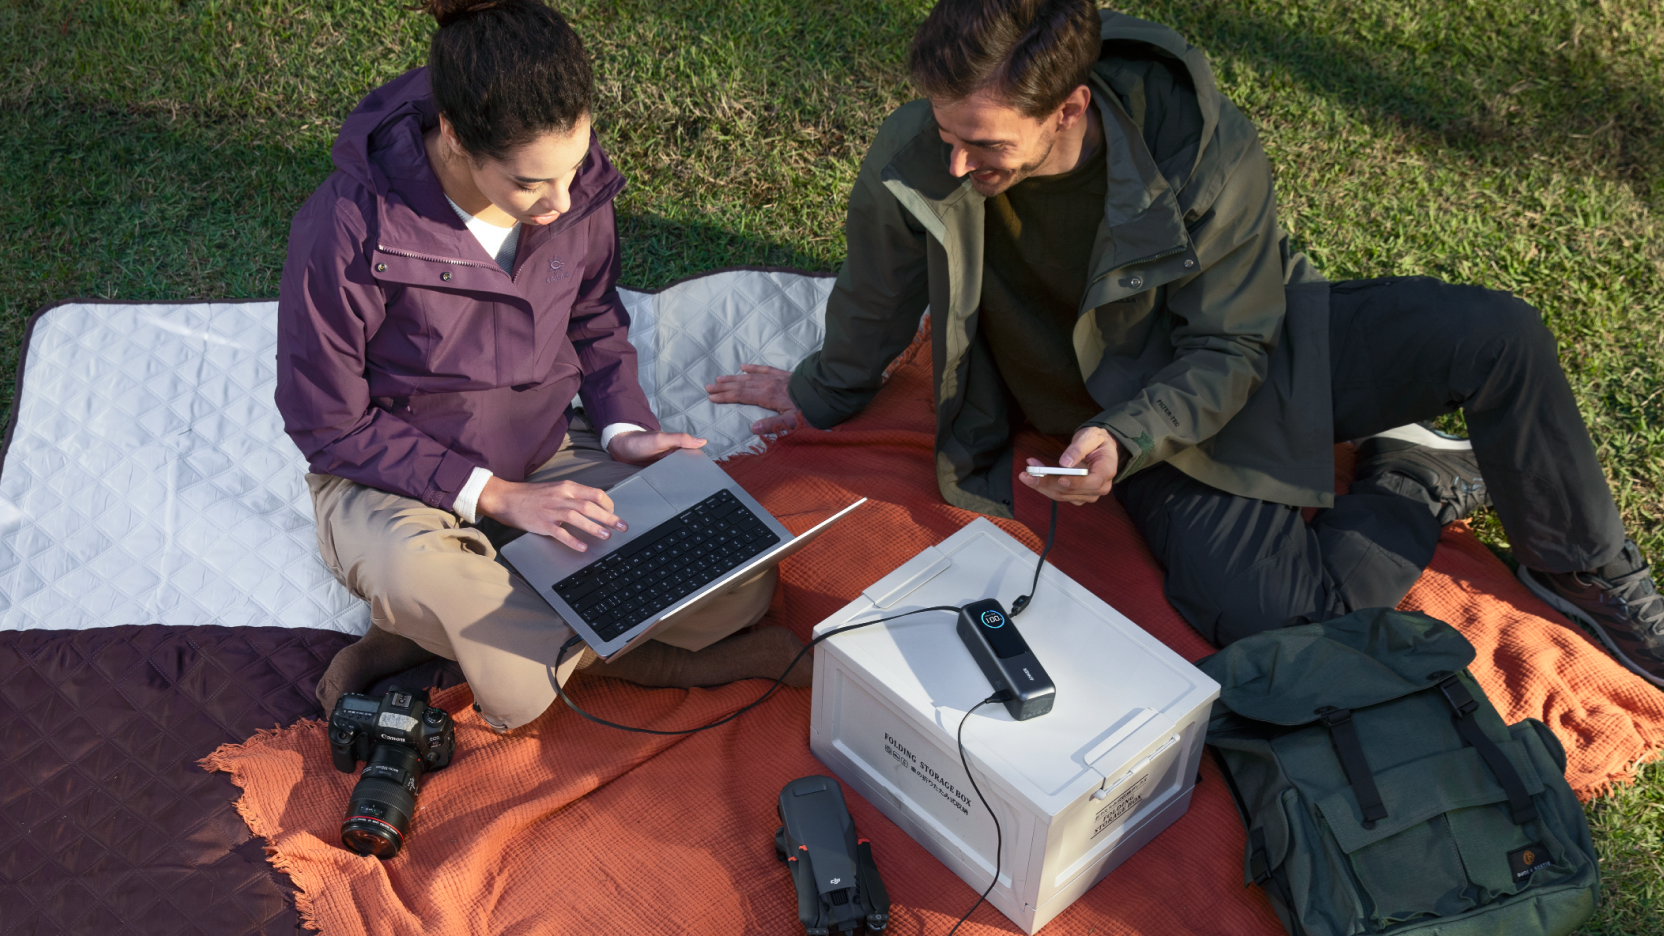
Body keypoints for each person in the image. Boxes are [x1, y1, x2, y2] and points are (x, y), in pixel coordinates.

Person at [707, 0, 1664, 687]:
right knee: (1287, 629)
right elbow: (878, 293)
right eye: (946, 132)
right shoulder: (919, 151)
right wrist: (824, 390)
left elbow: (1234, 341)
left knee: (1497, 333)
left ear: (1069, 109)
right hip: (1131, 415)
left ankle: (1582, 563)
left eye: (986, 145)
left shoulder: (1201, 144)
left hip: (1251, 343)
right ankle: (1410, 474)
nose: (957, 162)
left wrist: (1133, 431)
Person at [277, 0, 808, 732]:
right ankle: (666, 665)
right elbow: (327, 423)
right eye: (531, 184)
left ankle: (430, 635)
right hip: (392, 480)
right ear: (457, 139)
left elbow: (594, 320)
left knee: (740, 578)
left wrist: (624, 428)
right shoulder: (347, 229)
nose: (564, 201)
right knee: (512, 678)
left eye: (575, 166)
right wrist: (493, 496)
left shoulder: (571, 188)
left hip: (545, 453)